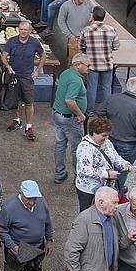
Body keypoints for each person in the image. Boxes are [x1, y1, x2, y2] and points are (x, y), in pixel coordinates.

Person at [98, 77, 136, 196]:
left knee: (107, 165)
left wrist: (107, 128)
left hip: (110, 141)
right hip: (129, 146)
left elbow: (100, 113)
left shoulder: (112, 98)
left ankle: (104, 190)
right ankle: (115, 193)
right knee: (122, 171)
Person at [74, 116, 132, 211]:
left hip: (105, 188)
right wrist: (107, 174)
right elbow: (85, 170)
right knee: (88, 214)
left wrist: (124, 164)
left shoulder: (107, 142)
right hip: (89, 191)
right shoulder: (84, 147)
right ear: (93, 133)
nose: (106, 138)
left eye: (108, 135)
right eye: (103, 135)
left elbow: (115, 157)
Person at [1, 20, 44, 140]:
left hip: (27, 77)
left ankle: (28, 127)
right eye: (21, 29)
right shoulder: (12, 41)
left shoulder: (34, 42)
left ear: (30, 31)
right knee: (13, 100)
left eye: (25, 30)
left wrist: (37, 70)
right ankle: (16, 120)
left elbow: (43, 55)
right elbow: (4, 56)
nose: (23, 32)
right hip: (14, 76)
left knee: (29, 102)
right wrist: (8, 66)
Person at [52, 53, 91, 185]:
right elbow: (69, 100)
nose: (89, 68)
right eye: (87, 65)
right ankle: (78, 177)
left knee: (60, 145)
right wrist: (80, 115)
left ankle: (59, 174)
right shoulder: (76, 80)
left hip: (58, 115)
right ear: (78, 65)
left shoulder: (66, 73)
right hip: (70, 119)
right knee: (77, 149)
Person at [78, 7, 119, 111]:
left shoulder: (86, 31)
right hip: (107, 64)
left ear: (92, 16)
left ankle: (89, 110)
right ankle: (105, 110)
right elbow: (116, 46)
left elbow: (81, 47)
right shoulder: (111, 30)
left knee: (92, 88)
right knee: (106, 88)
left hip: (92, 65)